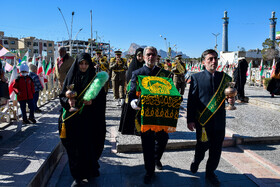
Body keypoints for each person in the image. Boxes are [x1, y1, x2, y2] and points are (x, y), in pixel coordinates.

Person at [187, 49, 235, 186]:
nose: (214, 61)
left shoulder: (224, 78)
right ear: (204, 62)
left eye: (215, 58)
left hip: (219, 121)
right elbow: (192, 101)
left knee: (216, 149)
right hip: (203, 121)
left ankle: (210, 173)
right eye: (210, 59)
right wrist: (190, 119)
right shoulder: (196, 78)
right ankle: (196, 161)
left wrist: (231, 100)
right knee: (202, 147)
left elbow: (229, 96)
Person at [59, 53, 106, 186]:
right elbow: (62, 96)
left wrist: (93, 102)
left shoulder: (94, 79)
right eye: (81, 63)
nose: (84, 66)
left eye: (86, 63)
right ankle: (77, 176)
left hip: (90, 120)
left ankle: (90, 170)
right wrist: (69, 102)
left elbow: (102, 100)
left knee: (89, 148)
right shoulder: (71, 77)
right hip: (74, 120)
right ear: (77, 64)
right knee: (75, 150)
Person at [129, 46, 172, 184]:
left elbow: (171, 91)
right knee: (147, 143)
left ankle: (156, 158)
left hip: (161, 114)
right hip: (145, 114)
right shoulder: (137, 72)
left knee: (163, 139)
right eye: (148, 54)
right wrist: (133, 101)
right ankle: (149, 171)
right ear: (144, 56)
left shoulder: (164, 73)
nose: (150, 57)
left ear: (157, 56)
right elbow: (131, 91)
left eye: (153, 54)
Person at [119, 48, 144, 134]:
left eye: (142, 56)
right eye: (138, 56)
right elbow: (129, 79)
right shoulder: (132, 66)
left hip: (142, 91)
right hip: (133, 90)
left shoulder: (145, 66)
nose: (140, 58)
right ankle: (130, 128)